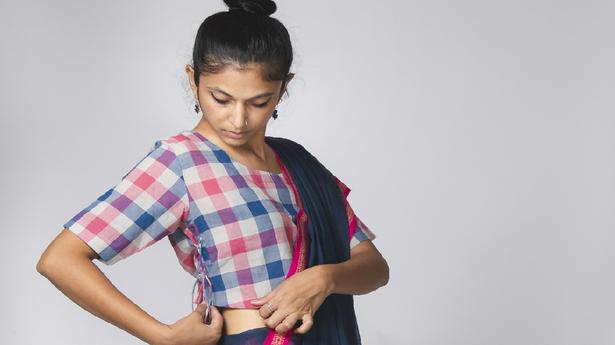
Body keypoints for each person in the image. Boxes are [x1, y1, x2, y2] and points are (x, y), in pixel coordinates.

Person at [36, 0, 389, 344]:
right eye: (221, 99)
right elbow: (61, 259)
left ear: (283, 88)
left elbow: (374, 267)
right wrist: (161, 335)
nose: (238, 120)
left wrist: (323, 279)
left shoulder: (297, 162)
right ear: (194, 80)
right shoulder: (181, 161)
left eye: (259, 102)